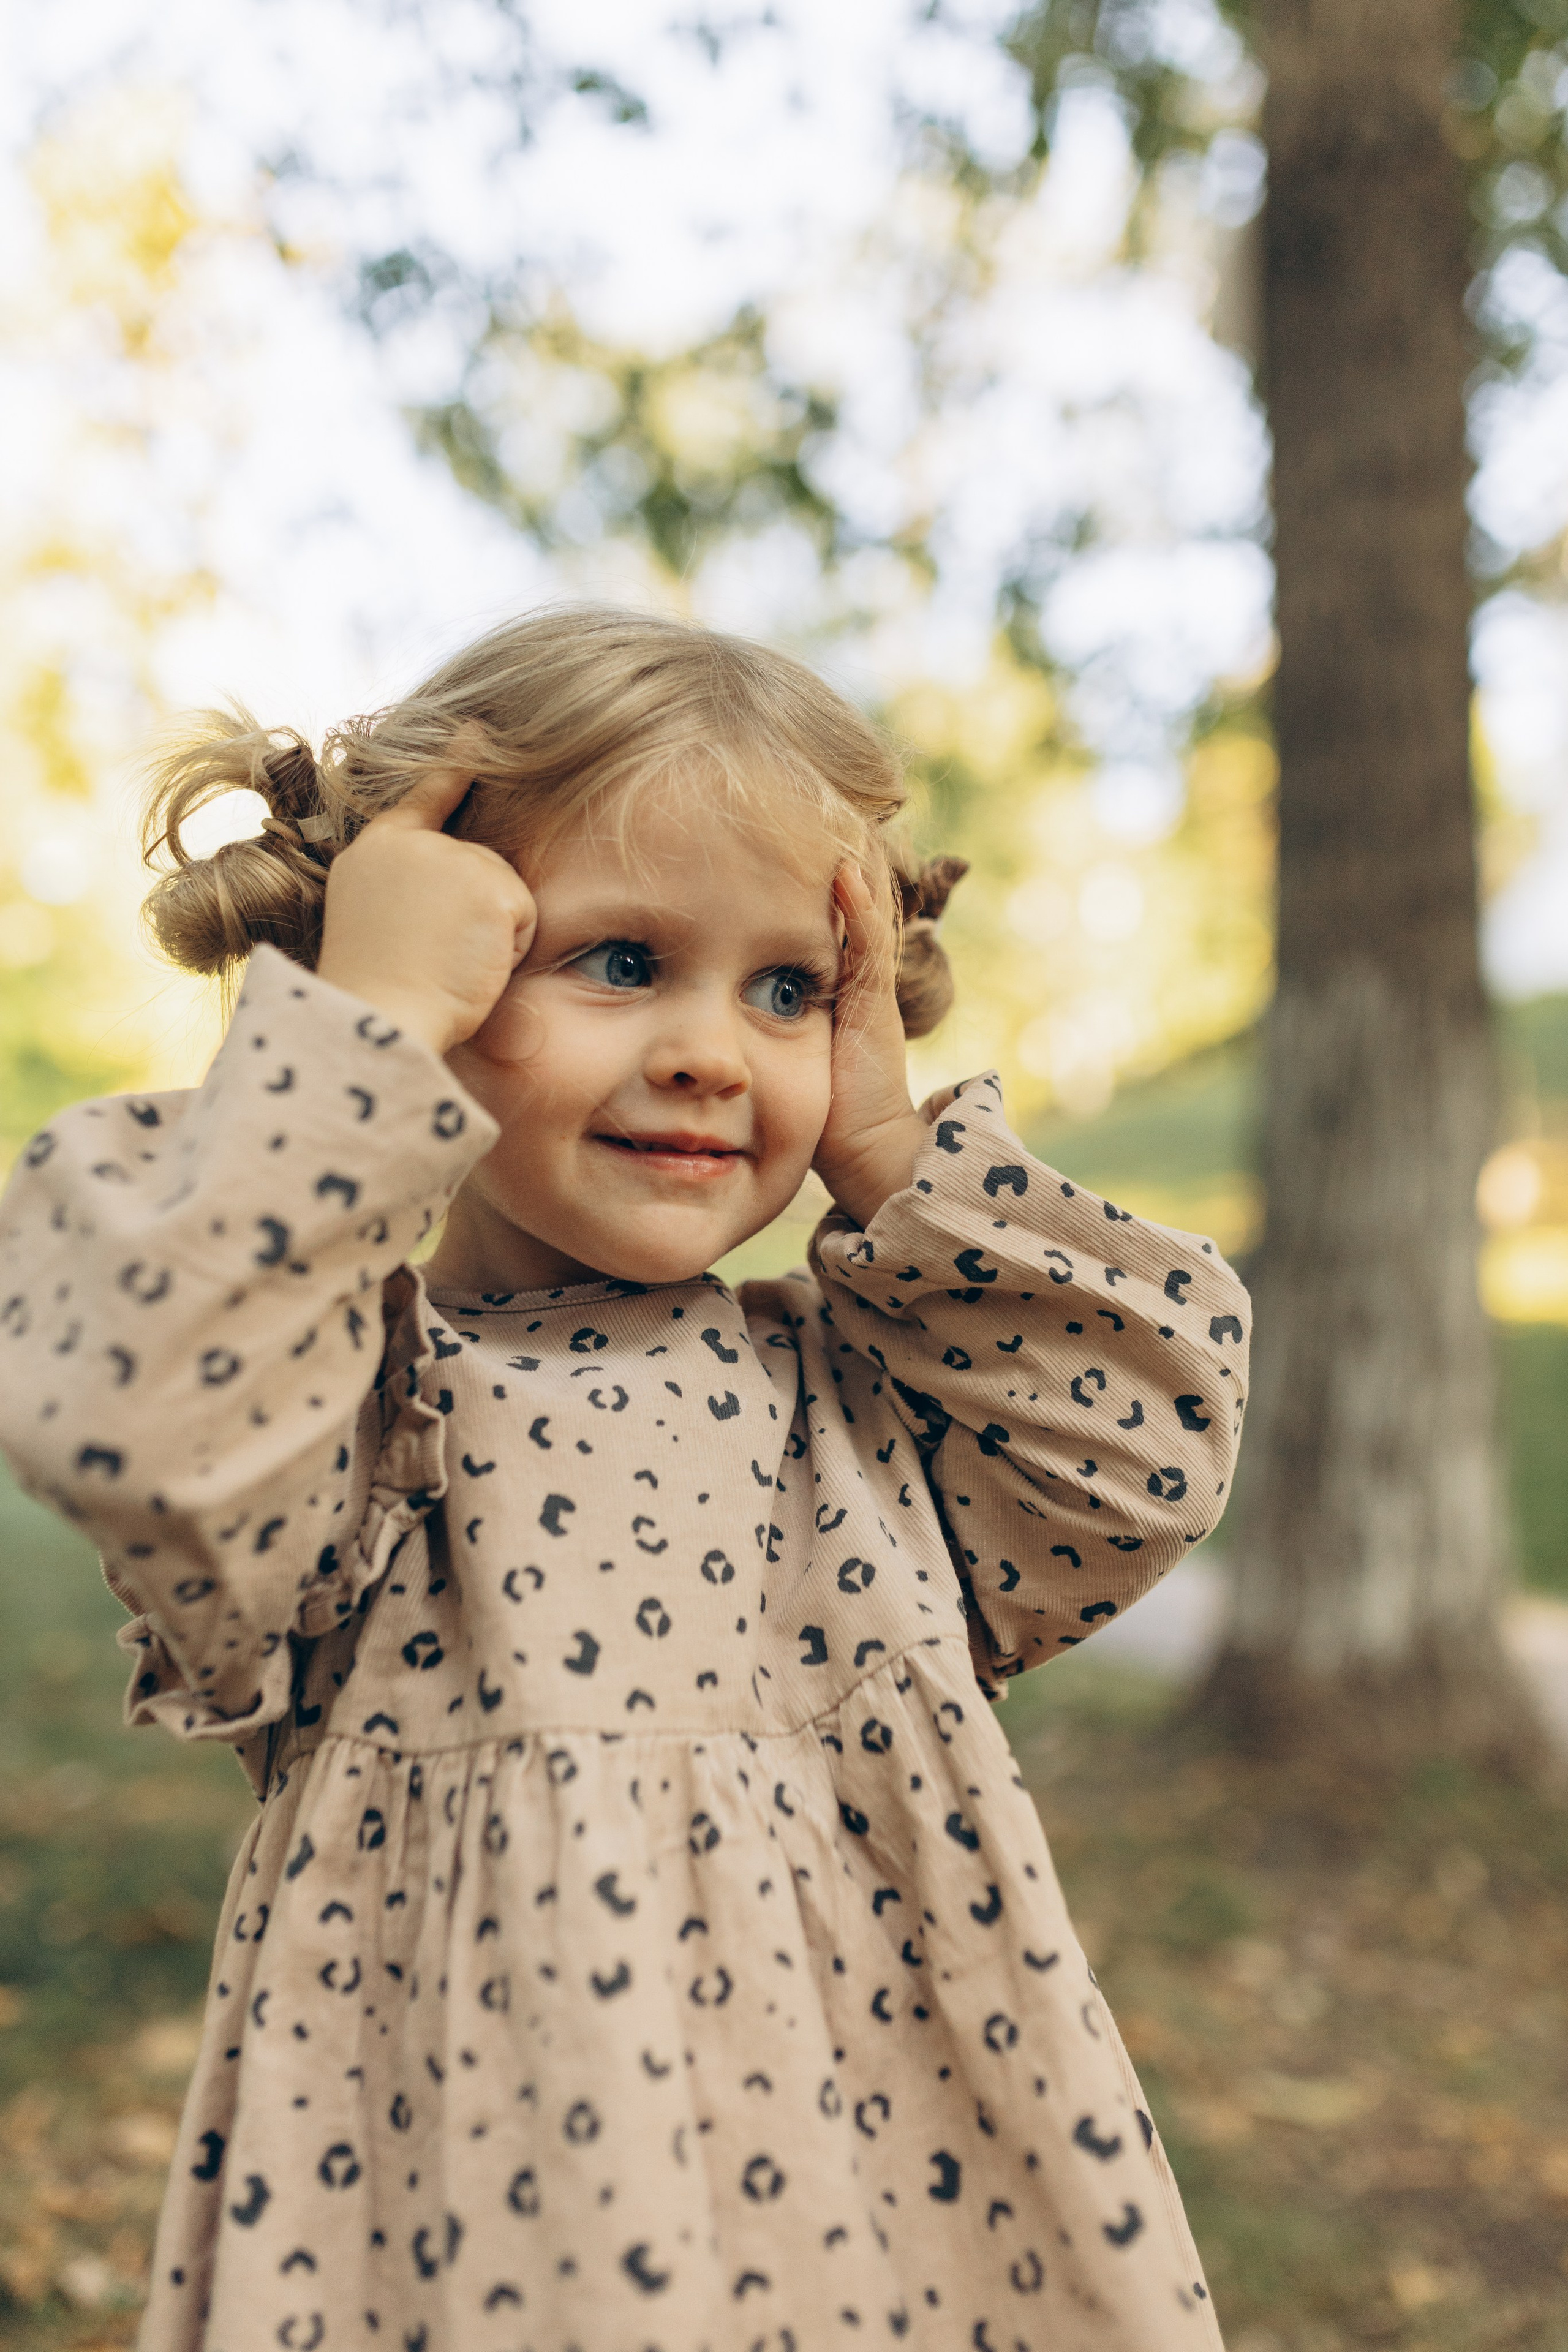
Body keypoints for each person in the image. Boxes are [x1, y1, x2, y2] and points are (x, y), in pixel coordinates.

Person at [0, 605, 1248, 2352]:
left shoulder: (866, 1396)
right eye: (616, 962)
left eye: (788, 989)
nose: (710, 1052)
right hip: (486, 2224)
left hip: (898, 2219)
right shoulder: (354, 1410)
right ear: (436, 970)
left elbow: (1147, 1450)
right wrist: (364, 1024)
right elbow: (131, 1398)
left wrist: (889, 1148)